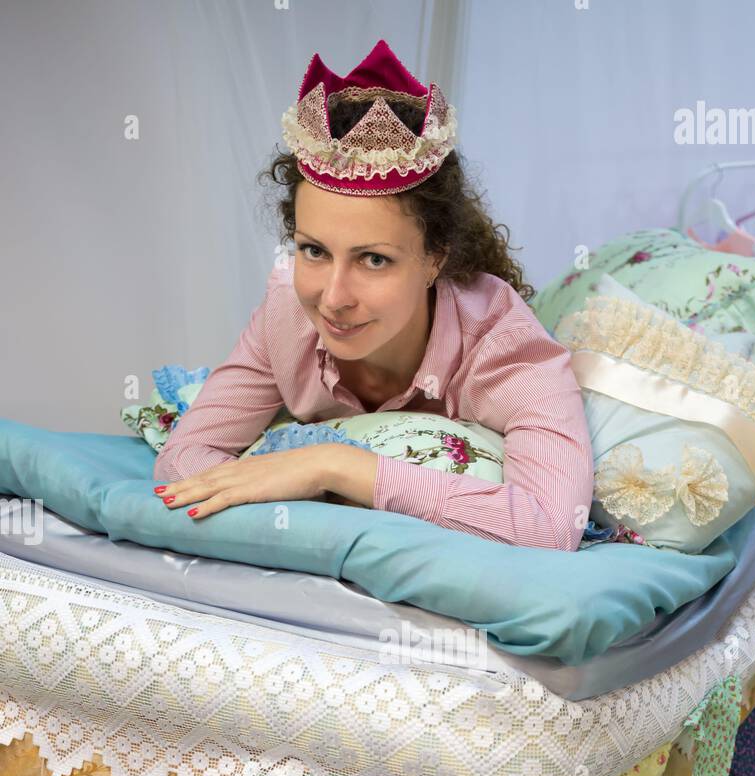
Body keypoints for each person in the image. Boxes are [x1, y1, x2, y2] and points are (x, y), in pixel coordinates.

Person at [153, 38, 593, 550]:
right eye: (314, 250)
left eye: (374, 259)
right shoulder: (288, 313)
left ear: (436, 258)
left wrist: (333, 466)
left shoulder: (506, 347)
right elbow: (185, 458)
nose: (333, 298)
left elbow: (551, 524)